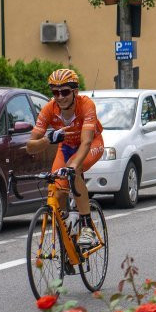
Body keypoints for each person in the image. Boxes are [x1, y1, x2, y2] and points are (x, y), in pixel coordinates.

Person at [29, 68, 104, 250]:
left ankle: (87, 227)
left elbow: (86, 142)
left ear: (75, 92)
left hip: (91, 143)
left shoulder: (86, 105)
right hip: (66, 146)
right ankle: (67, 226)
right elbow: (30, 146)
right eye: (55, 92)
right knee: (57, 187)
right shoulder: (49, 109)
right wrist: (47, 140)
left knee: (73, 168)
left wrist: (73, 166)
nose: (60, 97)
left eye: (64, 92)